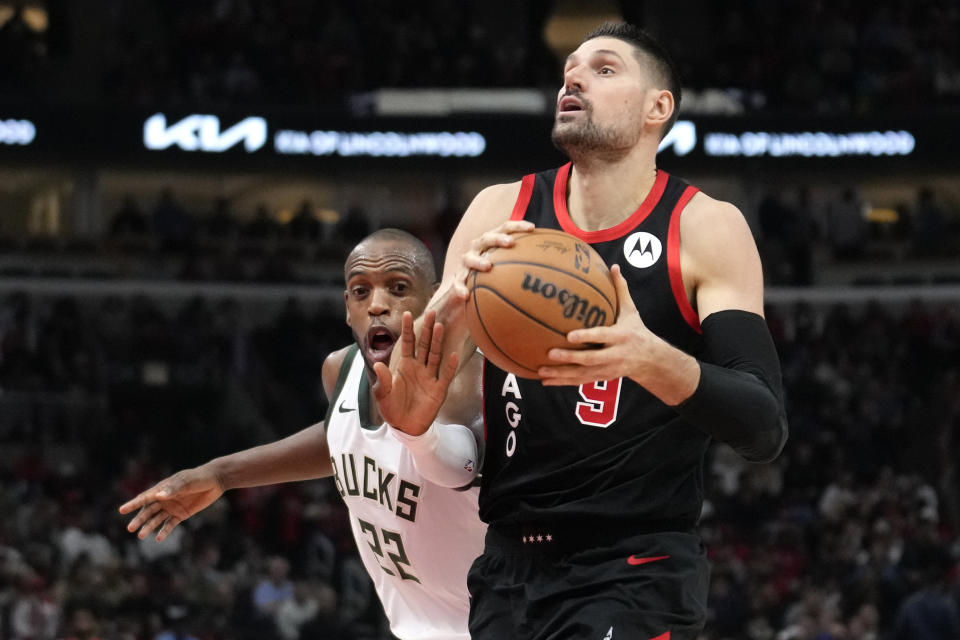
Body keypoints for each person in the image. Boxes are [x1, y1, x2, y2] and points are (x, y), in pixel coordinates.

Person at [411, 22, 789, 640]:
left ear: (657, 108)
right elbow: (448, 403)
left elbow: (763, 424)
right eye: (570, 69)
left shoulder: (704, 228)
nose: (574, 77)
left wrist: (648, 359)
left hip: (635, 568)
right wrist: (437, 346)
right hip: (507, 566)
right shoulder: (496, 213)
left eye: (605, 68)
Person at [119, 229, 486, 640]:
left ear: (433, 297)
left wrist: (415, 432)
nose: (378, 304)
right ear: (348, 308)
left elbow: (462, 467)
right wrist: (221, 474)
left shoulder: (465, 376)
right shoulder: (340, 370)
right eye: (361, 291)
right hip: (413, 628)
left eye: (398, 288)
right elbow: (342, 439)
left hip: (494, 624)